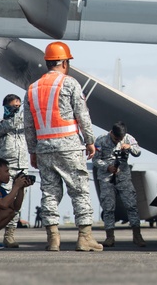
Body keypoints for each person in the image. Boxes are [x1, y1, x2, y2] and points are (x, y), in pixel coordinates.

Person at [23, 41, 102, 252]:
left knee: (49, 192)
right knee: (79, 191)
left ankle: (53, 239)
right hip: (69, 146)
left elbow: (28, 125)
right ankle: (84, 238)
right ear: (64, 62)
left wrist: (32, 151)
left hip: (44, 149)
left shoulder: (32, 89)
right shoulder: (70, 83)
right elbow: (82, 115)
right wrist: (90, 141)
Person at [92, 121, 146, 248]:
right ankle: (109, 237)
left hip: (123, 177)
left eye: (120, 139)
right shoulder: (101, 140)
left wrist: (130, 147)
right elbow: (95, 160)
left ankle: (137, 236)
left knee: (132, 205)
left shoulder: (128, 138)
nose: (118, 141)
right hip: (106, 178)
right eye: (116, 139)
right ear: (111, 133)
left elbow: (138, 152)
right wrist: (107, 167)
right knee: (108, 207)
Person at [0, 93, 28, 248]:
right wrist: (17, 113)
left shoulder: (23, 124)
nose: (17, 109)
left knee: (17, 203)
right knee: (2, 202)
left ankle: (10, 235)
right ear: (6, 107)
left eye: (19, 106)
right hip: (5, 168)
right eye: (14, 106)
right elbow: (9, 125)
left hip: (22, 166)